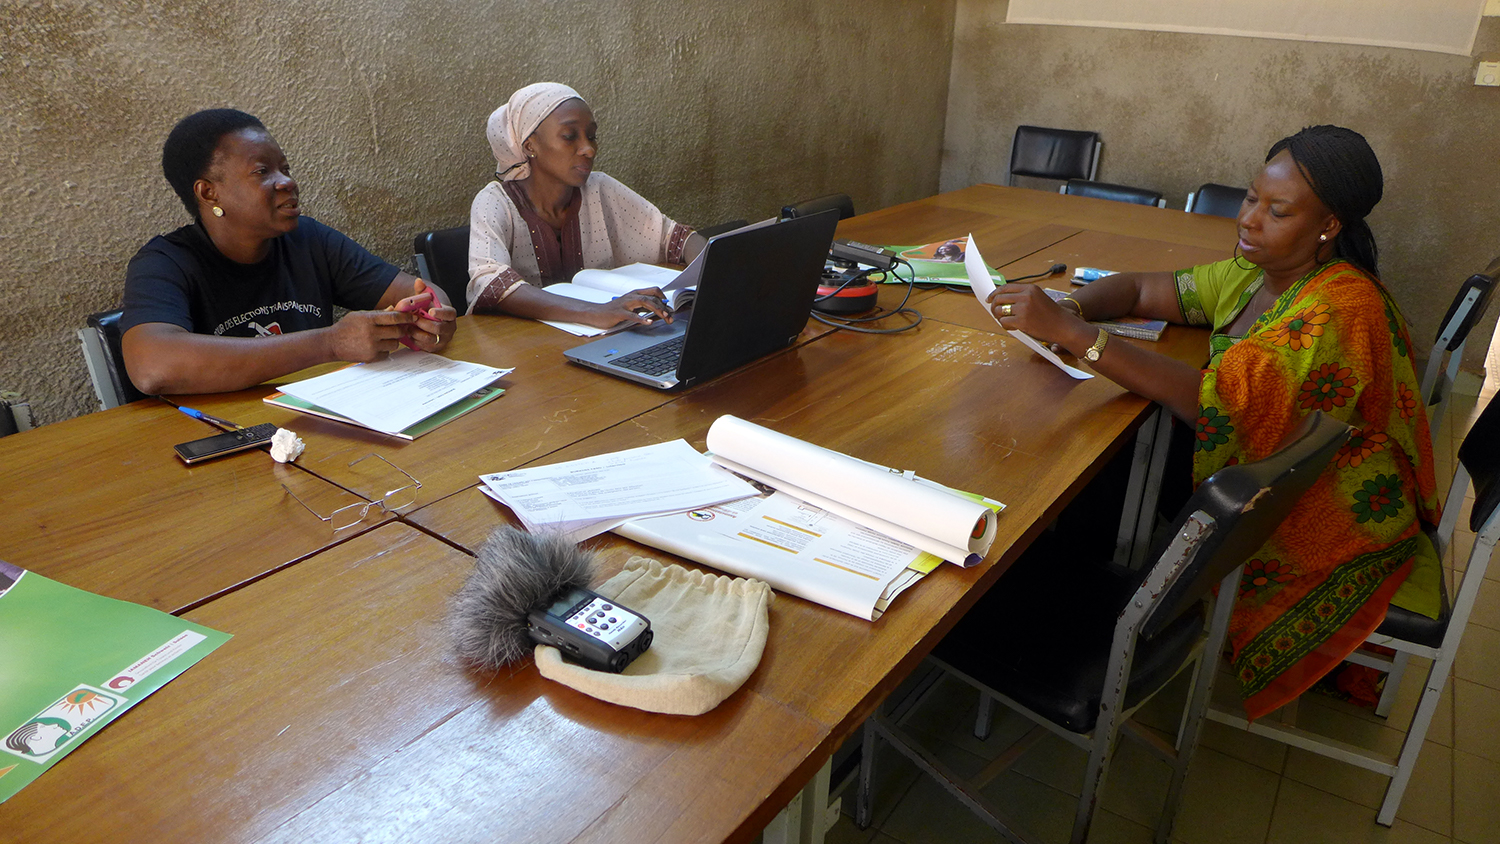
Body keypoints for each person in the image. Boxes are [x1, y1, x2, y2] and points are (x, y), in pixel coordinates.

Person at [987, 125, 1441, 721]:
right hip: (1265, 467)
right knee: (1105, 449)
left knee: (1104, 457)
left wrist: (1075, 336)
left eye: (1277, 211)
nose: (1250, 220)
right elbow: (1144, 288)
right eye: (1251, 198)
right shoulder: (1256, 274)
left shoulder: (1338, 309)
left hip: (1312, 502)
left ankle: (1070, 615)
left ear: (1328, 227)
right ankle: (1071, 590)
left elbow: (1212, 404)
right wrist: (1071, 306)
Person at [122, 109, 457, 396]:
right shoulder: (165, 262)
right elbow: (152, 366)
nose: (287, 182)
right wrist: (330, 344)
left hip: (317, 417)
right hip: (228, 440)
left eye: (285, 168)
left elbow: (419, 293)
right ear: (209, 193)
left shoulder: (309, 239)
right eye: (262, 172)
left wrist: (430, 319)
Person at [467, 83, 705, 327]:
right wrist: (595, 312)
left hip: (607, 341)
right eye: (570, 136)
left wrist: (715, 276)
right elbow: (490, 283)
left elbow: (677, 238)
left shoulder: (601, 188)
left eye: (592, 136)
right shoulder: (495, 202)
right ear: (530, 146)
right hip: (524, 351)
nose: (589, 149)